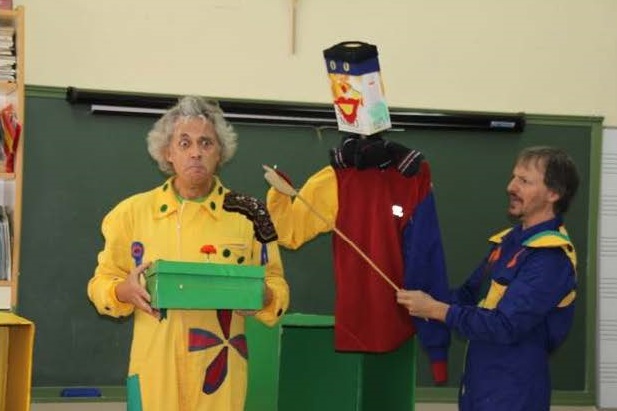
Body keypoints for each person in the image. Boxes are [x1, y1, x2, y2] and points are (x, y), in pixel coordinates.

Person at [87, 96, 289, 411]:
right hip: (155, 370)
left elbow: (277, 284)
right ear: (167, 152)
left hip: (220, 373)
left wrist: (264, 296)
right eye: (184, 143)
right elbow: (101, 283)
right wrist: (122, 291)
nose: (196, 152)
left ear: (220, 152)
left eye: (206, 143)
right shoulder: (131, 214)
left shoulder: (251, 214)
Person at [396, 146, 580, 411]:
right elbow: (466, 296)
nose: (511, 187)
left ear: (554, 193)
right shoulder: (509, 242)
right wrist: (419, 296)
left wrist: (436, 310)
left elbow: (505, 325)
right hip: (478, 384)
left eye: (524, 181)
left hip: (513, 393)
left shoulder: (550, 258)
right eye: (513, 177)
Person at [265, 133, 450, 384]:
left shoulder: (412, 177)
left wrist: (437, 348)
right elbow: (289, 231)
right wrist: (279, 195)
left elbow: (428, 257)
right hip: (359, 323)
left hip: (408, 320)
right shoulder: (334, 179)